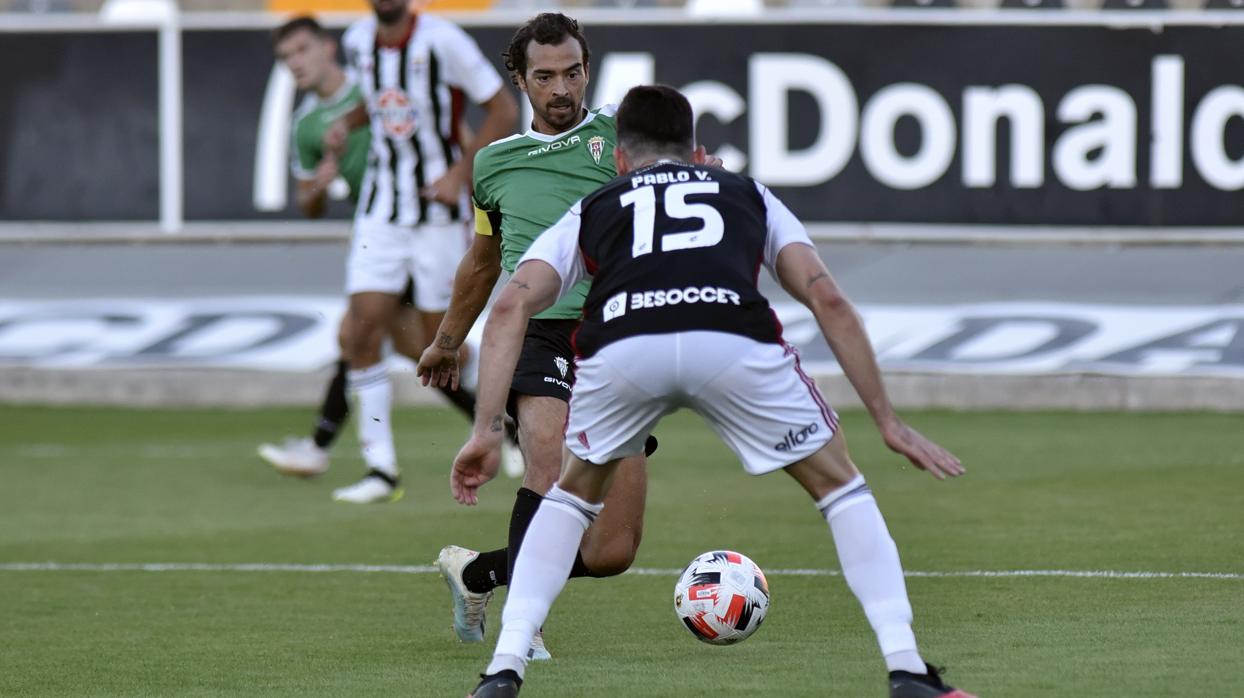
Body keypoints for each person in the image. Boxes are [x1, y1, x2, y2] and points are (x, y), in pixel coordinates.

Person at [448, 85, 977, 698]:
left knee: (570, 499)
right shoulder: (746, 192)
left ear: (620, 160)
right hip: (731, 338)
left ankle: (504, 671)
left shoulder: (597, 205)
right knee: (841, 489)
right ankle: (907, 670)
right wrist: (889, 420)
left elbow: (512, 301)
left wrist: (487, 428)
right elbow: (826, 296)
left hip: (624, 344)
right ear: (697, 152)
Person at [416, 13, 702, 659]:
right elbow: (483, 262)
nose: (561, 89)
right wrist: (446, 339)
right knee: (546, 455)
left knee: (611, 552)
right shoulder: (494, 164)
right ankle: (526, 627)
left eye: (572, 72)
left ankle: (479, 573)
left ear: (587, 70)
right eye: (544, 77)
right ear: (519, 79)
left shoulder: (622, 137)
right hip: (538, 330)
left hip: (617, 335)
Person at [258, 16, 521, 488]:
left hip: (435, 216)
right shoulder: (351, 58)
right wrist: (343, 132)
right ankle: (378, 468)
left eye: (302, 50)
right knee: (357, 330)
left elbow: (488, 112)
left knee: (440, 347)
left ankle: (511, 420)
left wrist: (462, 176)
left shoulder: (440, 42)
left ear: (325, 49)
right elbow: (380, 112)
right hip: (380, 215)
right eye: (287, 56)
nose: (296, 63)